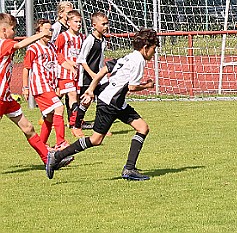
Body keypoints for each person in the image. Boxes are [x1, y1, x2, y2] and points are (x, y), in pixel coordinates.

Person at [46, 28, 159, 181]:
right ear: (145, 48)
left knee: (143, 128)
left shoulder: (129, 56)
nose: (153, 53)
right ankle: (57, 156)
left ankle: (129, 169)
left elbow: (105, 69)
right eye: (153, 49)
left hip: (116, 102)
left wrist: (91, 89)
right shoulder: (138, 60)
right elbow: (132, 87)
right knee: (95, 140)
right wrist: (147, 85)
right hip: (110, 103)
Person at [0, 13, 73, 166]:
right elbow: (20, 46)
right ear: (4, 30)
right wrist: (41, 34)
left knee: (28, 128)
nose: (15, 32)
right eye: (13, 29)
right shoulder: (2, 43)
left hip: (6, 98)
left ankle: (49, 160)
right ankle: (58, 145)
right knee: (55, 111)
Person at [22, 19, 76, 149]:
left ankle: (42, 145)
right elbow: (26, 68)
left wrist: (71, 68)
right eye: (46, 30)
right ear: (38, 32)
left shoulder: (51, 46)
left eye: (51, 30)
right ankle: (61, 143)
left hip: (49, 85)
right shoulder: (33, 48)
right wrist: (25, 87)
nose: (49, 32)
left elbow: (60, 60)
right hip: (40, 86)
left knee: (50, 116)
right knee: (59, 108)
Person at [72, 12, 109, 138]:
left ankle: (100, 129)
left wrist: (102, 74)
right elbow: (81, 59)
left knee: (104, 101)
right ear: (94, 25)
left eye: (107, 23)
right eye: (103, 24)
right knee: (86, 102)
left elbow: (100, 59)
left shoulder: (103, 40)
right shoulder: (89, 40)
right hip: (88, 77)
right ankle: (76, 126)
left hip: (100, 77)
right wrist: (93, 74)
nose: (106, 26)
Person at [54, 9, 85, 129]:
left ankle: (48, 114)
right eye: (76, 22)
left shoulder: (82, 37)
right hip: (65, 71)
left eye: (80, 22)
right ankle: (74, 123)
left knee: (73, 95)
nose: (78, 24)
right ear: (68, 23)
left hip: (77, 72)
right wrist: (67, 62)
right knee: (71, 94)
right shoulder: (63, 36)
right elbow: (56, 52)